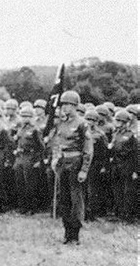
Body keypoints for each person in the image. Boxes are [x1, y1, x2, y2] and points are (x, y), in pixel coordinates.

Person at [51, 90, 93, 244]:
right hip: (63, 163)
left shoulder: (82, 123)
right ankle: (66, 231)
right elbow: (57, 143)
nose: (65, 108)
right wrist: (55, 159)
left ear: (75, 106)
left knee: (76, 199)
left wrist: (84, 169)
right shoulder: (61, 123)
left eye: (69, 104)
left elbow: (88, 148)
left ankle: (75, 234)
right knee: (64, 199)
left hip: (76, 162)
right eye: (64, 104)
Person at [13, 105, 44, 214]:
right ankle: (23, 207)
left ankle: (32, 208)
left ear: (31, 117)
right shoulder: (20, 128)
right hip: (20, 156)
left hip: (30, 157)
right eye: (23, 116)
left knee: (30, 184)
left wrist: (38, 161)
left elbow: (41, 147)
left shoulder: (35, 130)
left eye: (27, 116)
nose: (24, 118)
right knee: (20, 182)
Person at [108, 109, 137, 222]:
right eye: (117, 121)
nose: (118, 123)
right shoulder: (115, 134)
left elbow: (135, 154)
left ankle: (127, 216)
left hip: (127, 166)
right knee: (117, 191)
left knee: (127, 192)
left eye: (120, 121)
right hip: (116, 165)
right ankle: (119, 214)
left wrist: (135, 170)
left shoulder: (131, 136)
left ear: (125, 123)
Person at [83, 109, 109, 220]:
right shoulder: (82, 133)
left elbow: (105, 152)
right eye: (88, 119)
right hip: (84, 163)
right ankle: (83, 212)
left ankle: (91, 213)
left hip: (95, 164)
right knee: (82, 189)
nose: (89, 122)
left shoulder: (100, 135)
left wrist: (103, 166)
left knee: (92, 190)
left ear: (96, 122)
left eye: (92, 120)